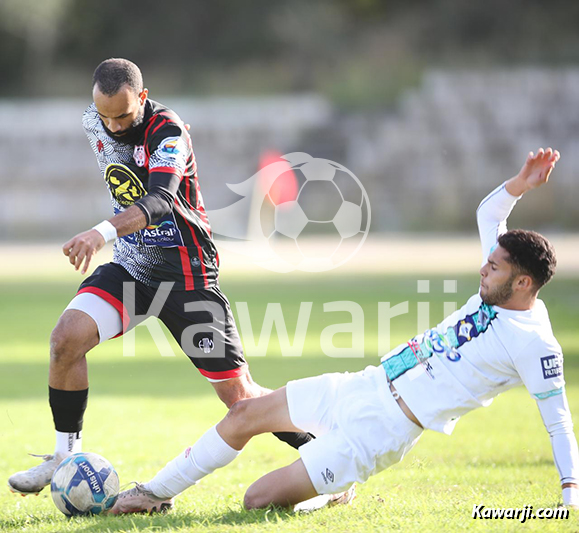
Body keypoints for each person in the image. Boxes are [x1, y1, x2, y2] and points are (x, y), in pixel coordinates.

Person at [108, 147, 579, 514]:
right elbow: (489, 216)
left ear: (522, 283)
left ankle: (338, 485)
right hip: (363, 385)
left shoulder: (534, 343)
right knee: (242, 415)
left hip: (381, 431)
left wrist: (570, 497)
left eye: (493, 269)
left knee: (256, 499)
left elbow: (558, 422)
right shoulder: (497, 283)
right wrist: (520, 184)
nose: (483, 270)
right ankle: (153, 492)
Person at [7, 58, 315, 499]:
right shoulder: (94, 122)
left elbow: (160, 200)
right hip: (133, 266)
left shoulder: (168, 130)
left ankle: (324, 449)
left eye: (123, 116)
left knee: (240, 400)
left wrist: (101, 233)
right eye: (104, 116)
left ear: (144, 98)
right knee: (65, 339)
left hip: (186, 274)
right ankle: (63, 456)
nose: (112, 127)